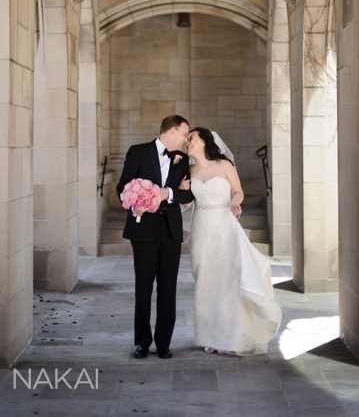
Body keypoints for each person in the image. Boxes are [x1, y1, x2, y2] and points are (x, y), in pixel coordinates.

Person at [180, 127, 282, 355]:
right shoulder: (189, 170)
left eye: (192, 138)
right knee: (205, 281)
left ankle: (230, 335)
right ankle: (209, 335)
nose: (188, 142)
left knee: (227, 281)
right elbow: (186, 202)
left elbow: (238, 191)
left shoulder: (225, 165)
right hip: (202, 228)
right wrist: (179, 189)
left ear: (205, 141)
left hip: (224, 226)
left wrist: (235, 202)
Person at [116, 115, 193, 359]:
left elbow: (188, 195)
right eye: (184, 133)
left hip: (171, 232)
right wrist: (134, 205)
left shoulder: (183, 161)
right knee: (143, 287)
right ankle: (141, 342)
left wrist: (167, 193)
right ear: (171, 131)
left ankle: (163, 343)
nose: (186, 138)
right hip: (143, 232)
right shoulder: (138, 152)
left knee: (168, 289)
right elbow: (123, 188)